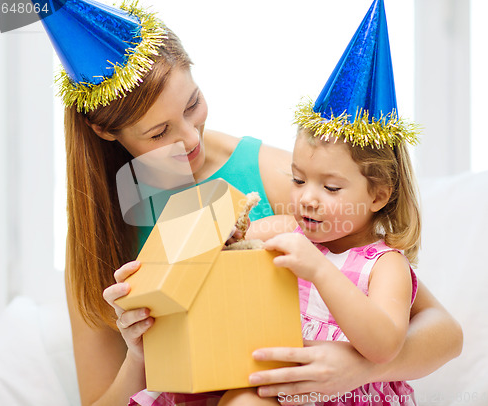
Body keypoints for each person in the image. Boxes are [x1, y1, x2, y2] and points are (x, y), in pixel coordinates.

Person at [35, 0, 462, 405]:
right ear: (107, 131)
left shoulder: (282, 179)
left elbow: (440, 330)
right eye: (158, 132)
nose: (189, 138)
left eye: (193, 104)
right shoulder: (100, 233)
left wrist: (356, 368)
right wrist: (139, 356)